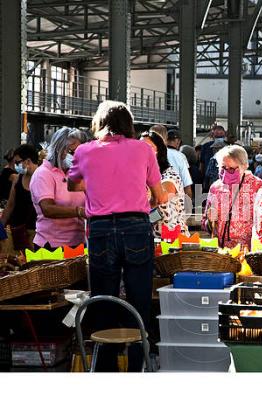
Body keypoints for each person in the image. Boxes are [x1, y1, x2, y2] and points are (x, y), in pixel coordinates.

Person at [67, 100, 167, 372]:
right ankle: (137, 365)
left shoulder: (85, 150)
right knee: (139, 298)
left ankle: (107, 367)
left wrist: (100, 184)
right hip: (136, 227)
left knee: (103, 298)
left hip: (99, 230)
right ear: (129, 124)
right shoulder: (143, 150)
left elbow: (73, 184)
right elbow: (160, 195)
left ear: (99, 124)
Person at [29, 127, 86, 251]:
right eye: (71, 151)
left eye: (80, 151)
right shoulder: (43, 174)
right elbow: (48, 209)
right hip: (51, 246)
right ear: (59, 149)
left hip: (79, 243)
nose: (76, 156)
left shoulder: (76, 173)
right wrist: (80, 211)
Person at [202, 145, 262, 249]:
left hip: (248, 250)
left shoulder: (258, 186)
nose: (226, 173)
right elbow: (205, 223)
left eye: (231, 169)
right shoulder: (215, 187)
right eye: (223, 168)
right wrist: (209, 219)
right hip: (222, 251)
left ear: (244, 165)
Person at [141, 132, 187, 238]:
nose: (142, 151)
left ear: (159, 151)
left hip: (173, 240)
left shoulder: (170, 175)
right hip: (149, 238)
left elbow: (161, 198)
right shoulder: (140, 176)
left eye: (148, 147)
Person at [1, 144, 40, 250]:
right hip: (16, 230)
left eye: (18, 162)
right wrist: (1, 226)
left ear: (27, 161)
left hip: (36, 233)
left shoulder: (43, 178)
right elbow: (10, 205)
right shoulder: (18, 178)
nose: (15, 165)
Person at [150, 124, 193, 199]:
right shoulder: (180, 156)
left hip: (148, 203)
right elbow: (187, 186)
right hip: (172, 203)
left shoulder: (143, 154)